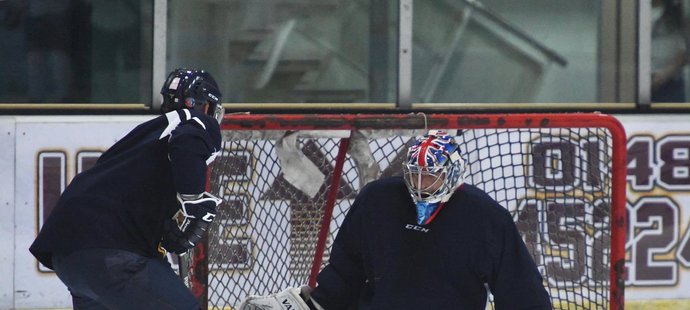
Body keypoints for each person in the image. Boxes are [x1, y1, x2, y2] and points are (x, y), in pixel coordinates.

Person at [238, 131, 552, 309]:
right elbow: (346, 271)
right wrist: (317, 303)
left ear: (453, 174)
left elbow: (522, 291)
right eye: (413, 174)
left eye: (429, 176)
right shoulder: (378, 200)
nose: (419, 184)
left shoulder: (485, 217)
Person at [29, 68, 225, 309]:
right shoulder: (195, 121)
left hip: (68, 259)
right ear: (204, 105)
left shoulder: (144, 138)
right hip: (112, 255)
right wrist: (193, 200)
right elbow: (187, 144)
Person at [651, 0, 690, 102]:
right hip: (638, 82)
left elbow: (686, 49)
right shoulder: (634, 11)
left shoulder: (678, 11)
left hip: (671, 83)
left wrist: (665, 74)